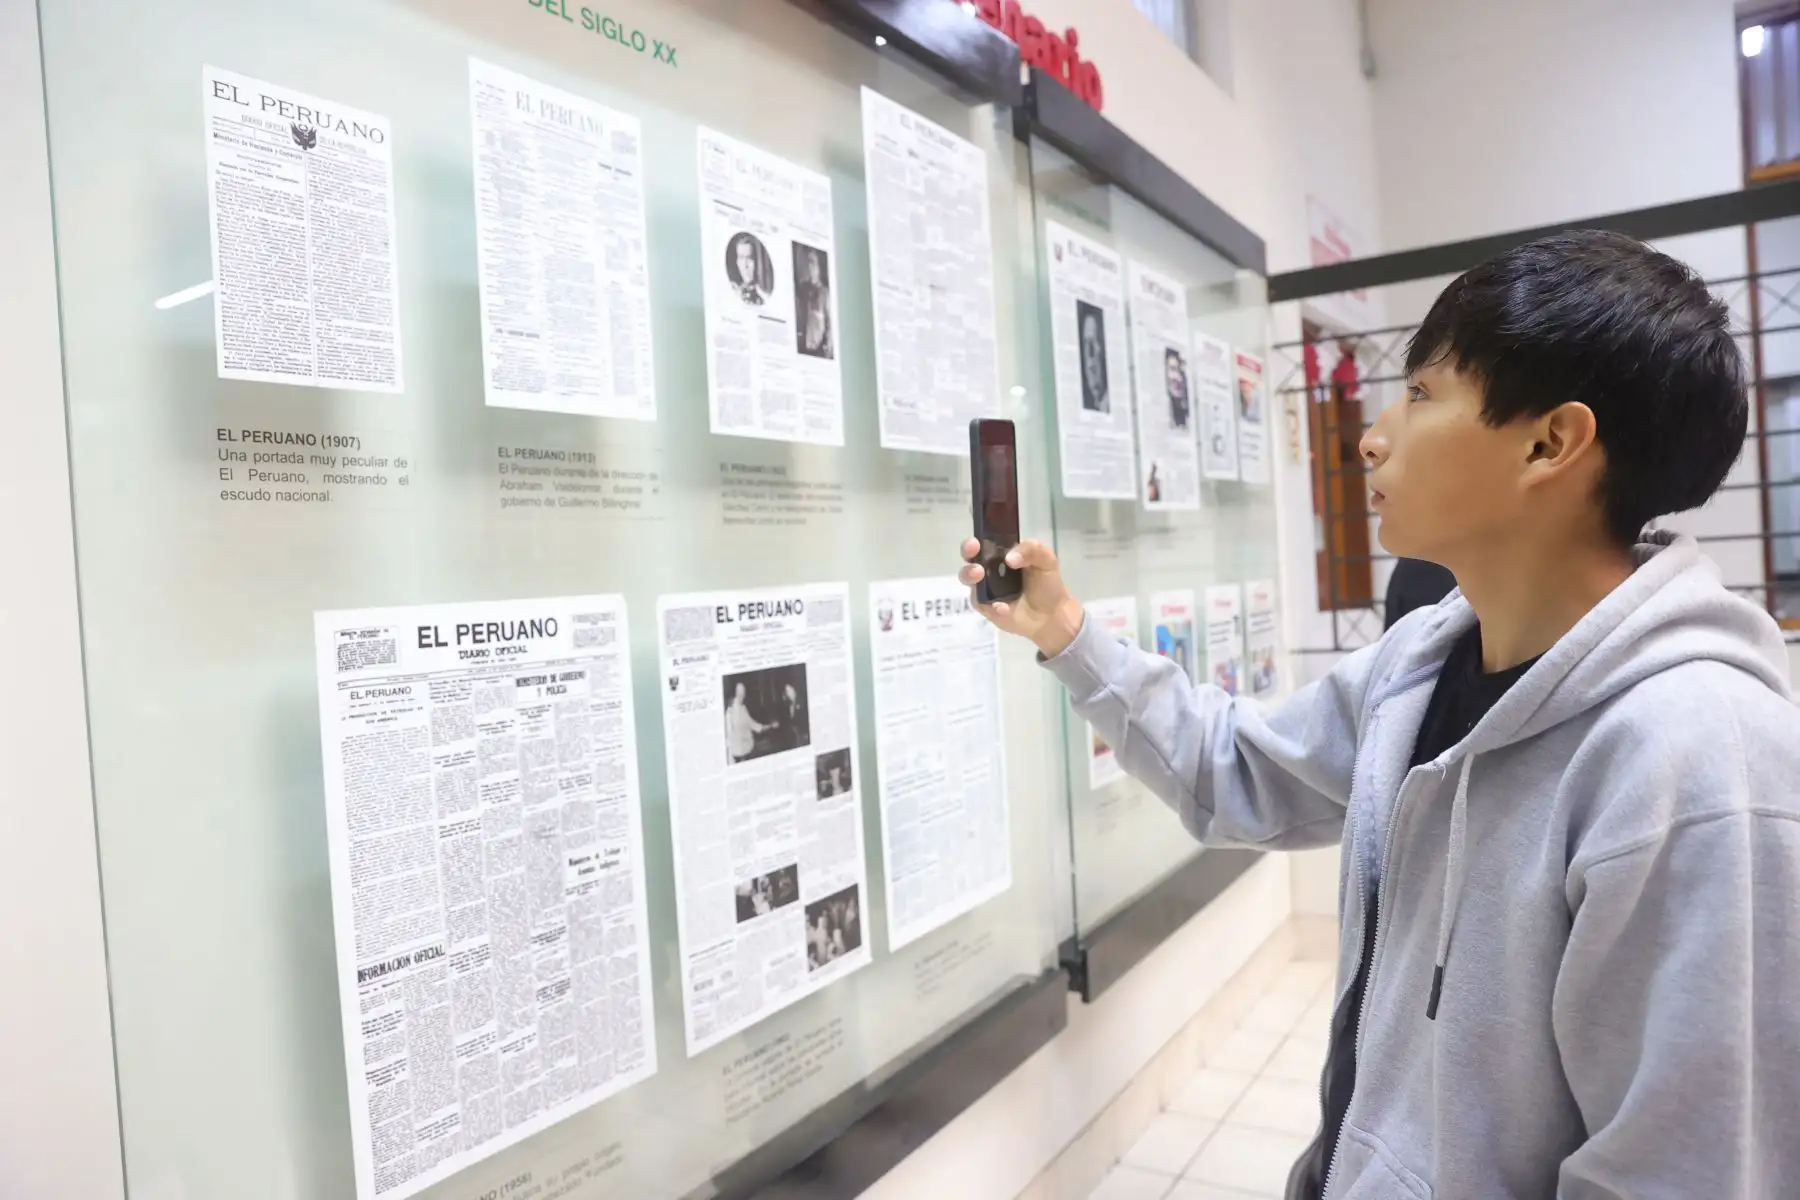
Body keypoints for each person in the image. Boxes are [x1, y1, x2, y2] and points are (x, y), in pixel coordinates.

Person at [960, 231, 1800, 1198]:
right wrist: (1066, 633)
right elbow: (1236, 772)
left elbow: (1681, 1170)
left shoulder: (1701, 761)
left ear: (1549, 443)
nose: (1372, 434)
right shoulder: (1423, 661)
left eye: (1423, 394)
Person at [724, 681, 769, 763]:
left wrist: (767, 727)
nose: (742, 694)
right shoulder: (730, 712)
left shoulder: (742, 709)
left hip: (744, 751)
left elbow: (753, 725)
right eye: (740, 692)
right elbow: (727, 735)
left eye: (743, 691)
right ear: (735, 693)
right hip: (738, 755)